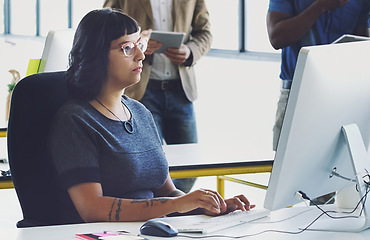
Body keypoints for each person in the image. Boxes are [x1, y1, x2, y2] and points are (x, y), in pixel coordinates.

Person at [48, 8, 252, 224]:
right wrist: (175, 205)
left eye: (140, 44)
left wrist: (207, 206)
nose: (141, 55)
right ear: (95, 55)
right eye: (127, 48)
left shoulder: (140, 112)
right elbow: (92, 209)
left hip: (149, 230)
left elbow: (169, 194)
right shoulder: (75, 120)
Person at [103, 0, 212, 193]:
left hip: (181, 90)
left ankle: (171, 206)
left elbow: (205, 32)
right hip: (143, 91)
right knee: (152, 165)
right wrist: (137, 44)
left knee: (191, 167)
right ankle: (160, 208)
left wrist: (190, 51)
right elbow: (105, 25)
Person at [266, 0, 370, 151]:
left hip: (342, 94)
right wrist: (321, 6)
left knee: (339, 166)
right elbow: (276, 38)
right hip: (297, 92)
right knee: (289, 165)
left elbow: (361, 45)